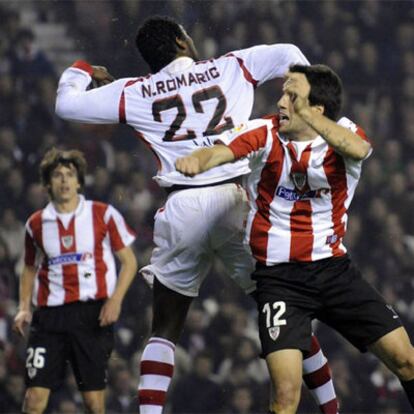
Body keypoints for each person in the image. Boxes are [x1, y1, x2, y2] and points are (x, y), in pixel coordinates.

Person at [55, 16, 338, 413]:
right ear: (181, 41)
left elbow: (66, 104)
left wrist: (82, 69)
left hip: (182, 204)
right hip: (235, 200)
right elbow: (290, 54)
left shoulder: (133, 92)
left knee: (166, 328)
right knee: (284, 311)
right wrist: (298, 102)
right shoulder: (232, 65)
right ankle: (331, 408)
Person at [176, 63, 414, 413]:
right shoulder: (265, 132)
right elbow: (221, 150)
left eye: (292, 96)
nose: (281, 103)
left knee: (406, 360)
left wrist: (310, 118)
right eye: (282, 94)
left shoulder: (344, 134)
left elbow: (359, 150)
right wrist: (198, 160)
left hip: (335, 271)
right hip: (280, 280)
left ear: (317, 109)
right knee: (285, 396)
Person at [13, 148, 138, 414]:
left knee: (93, 402)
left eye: (70, 174)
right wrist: (24, 307)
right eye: (57, 175)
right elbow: (28, 267)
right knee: (34, 398)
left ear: (79, 181)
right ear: (47, 183)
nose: (64, 181)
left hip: (91, 316)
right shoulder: (36, 224)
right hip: (49, 319)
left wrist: (115, 301)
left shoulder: (103, 214)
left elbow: (129, 262)